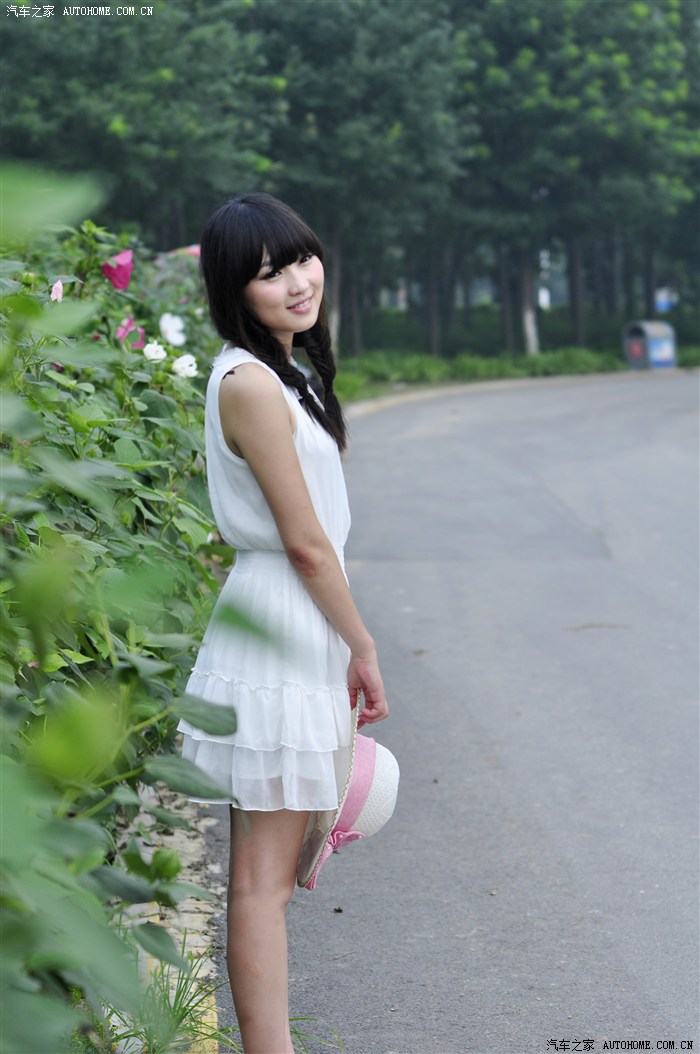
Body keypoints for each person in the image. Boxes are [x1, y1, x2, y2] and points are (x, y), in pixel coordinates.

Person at [177, 192, 389, 1054]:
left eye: (302, 258)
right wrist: (364, 645)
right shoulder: (251, 383)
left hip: (294, 625)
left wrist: (345, 644)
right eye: (271, 274)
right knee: (261, 882)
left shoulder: (286, 372)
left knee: (274, 872)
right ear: (236, 291)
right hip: (279, 623)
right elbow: (305, 545)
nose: (299, 282)